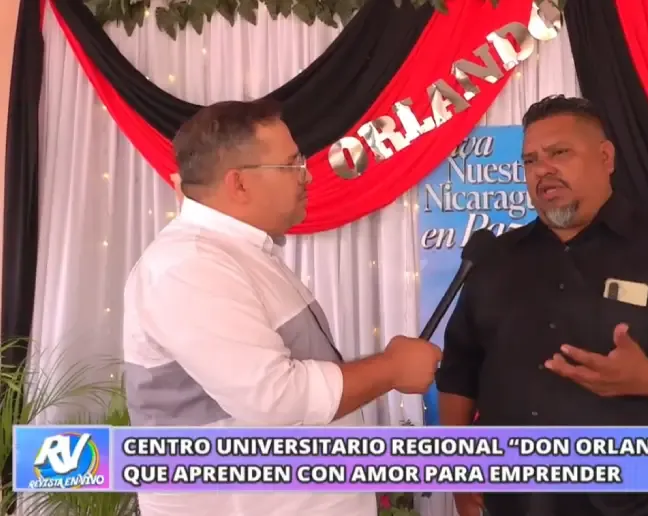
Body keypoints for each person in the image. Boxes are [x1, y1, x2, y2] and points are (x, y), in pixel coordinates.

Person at [435, 95, 648, 516]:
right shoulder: (494, 259)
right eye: (531, 160)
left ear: (606, 157)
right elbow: (460, 371)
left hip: (639, 503)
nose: (543, 170)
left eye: (560, 153)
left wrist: (645, 378)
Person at [122, 99, 442, 516]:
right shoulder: (190, 264)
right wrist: (392, 369)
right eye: (292, 165)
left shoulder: (242, 254)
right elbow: (274, 399)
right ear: (239, 183)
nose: (307, 176)